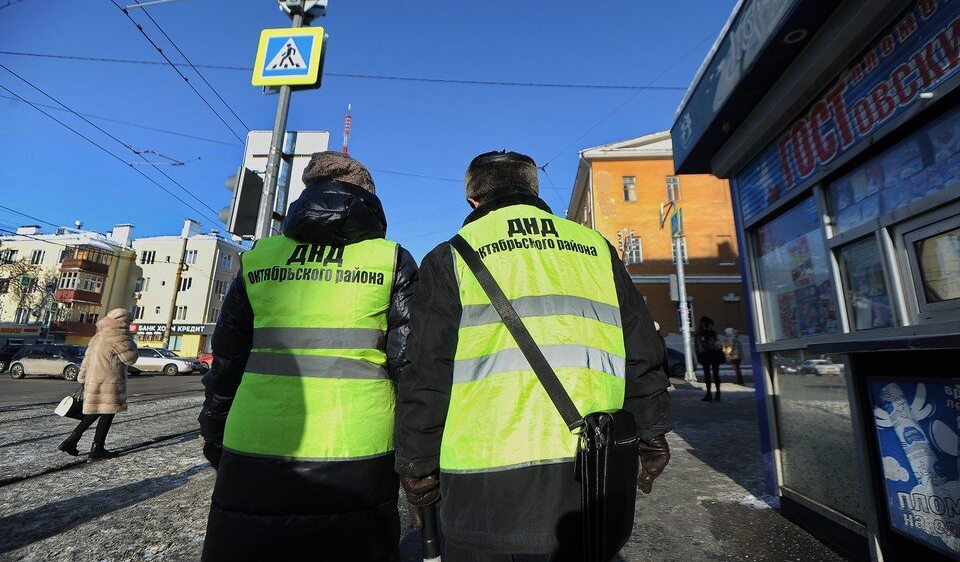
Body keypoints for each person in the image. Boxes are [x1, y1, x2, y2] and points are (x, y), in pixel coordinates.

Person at [395, 151, 672, 560]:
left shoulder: (451, 255)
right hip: (590, 469)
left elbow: (426, 371)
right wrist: (651, 432)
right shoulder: (595, 247)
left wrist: (417, 466)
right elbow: (642, 348)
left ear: (474, 200)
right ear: (532, 189)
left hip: (483, 482)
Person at [198, 152, 418, 562]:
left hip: (255, 438)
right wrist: (418, 450)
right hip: (357, 443)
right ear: (367, 195)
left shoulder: (260, 257)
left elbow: (228, 355)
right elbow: (408, 364)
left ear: (307, 193)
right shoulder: (390, 259)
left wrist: (213, 428)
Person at [58, 308, 138, 460]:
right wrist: (132, 344)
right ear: (123, 322)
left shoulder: (97, 336)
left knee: (96, 412)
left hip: (93, 380)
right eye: (129, 322)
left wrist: (82, 377)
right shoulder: (119, 336)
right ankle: (96, 449)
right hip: (110, 381)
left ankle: (72, 441)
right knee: (107, 413)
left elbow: (87, 359)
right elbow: (130, 358)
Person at [695, 316, 724, 402]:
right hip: (715, 356)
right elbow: (718, 345)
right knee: (716, 375)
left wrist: (699, 357)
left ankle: (709, 394)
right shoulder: (713, 333)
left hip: (705, 356)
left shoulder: (699, 334)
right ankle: (718, 394)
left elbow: (698, 347)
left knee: (707, 376)